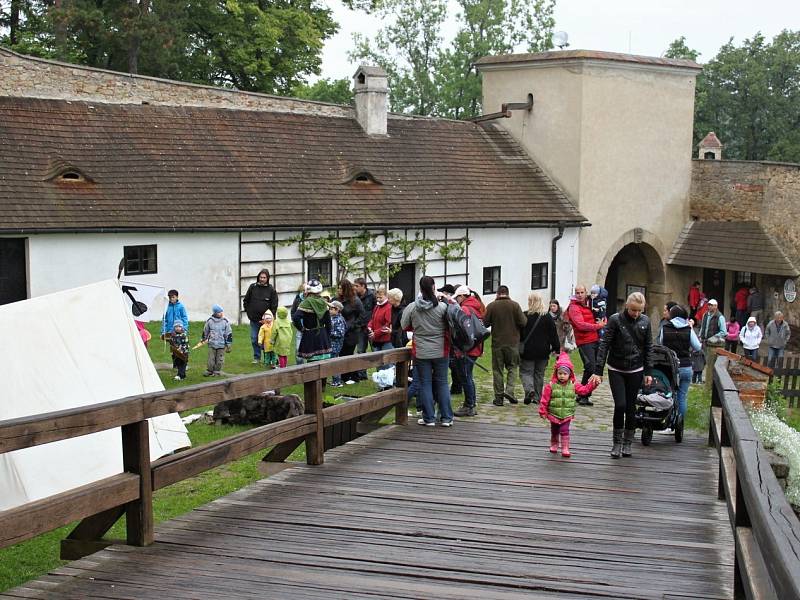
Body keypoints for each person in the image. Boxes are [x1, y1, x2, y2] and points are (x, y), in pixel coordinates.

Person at [591, 292, 653, 459]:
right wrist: (598, 370)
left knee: (631, 407)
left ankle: (627, 442)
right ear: (627, 306)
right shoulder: (615, 320)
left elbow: (648, 347)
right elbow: (605, 344)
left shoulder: (645, 322)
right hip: (616, 367)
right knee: (620, 405)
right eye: (633, 310)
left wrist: (649, 372)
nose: (636, 314)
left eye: (639, 310)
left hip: (636, 368)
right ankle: (616, 442)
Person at [400, 276, 453, 427]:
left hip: (421, 351)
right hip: (441, 349)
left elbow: (404, 325)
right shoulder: (443, 307)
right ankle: (446, 418)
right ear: (434, 287)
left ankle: (429, 417)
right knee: (442, 382)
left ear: (420, 288)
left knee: (425, 384)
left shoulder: (412, 307)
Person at [539, 352, 599, 457]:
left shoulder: (573, 385)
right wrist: (543, 411)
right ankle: (554, 443)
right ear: (556, 373)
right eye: (560, 373)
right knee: (554, 430)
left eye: (565, 374)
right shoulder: (551, 386)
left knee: (564, 430)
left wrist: (593, 385)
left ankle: (565, 447)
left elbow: (584, 390)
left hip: (567, 414)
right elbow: (545, 399)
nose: (562, 376)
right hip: (554, 413)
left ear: (570, 374)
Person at [658, 304, 701, 433]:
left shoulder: (665, 327)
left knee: (670, 395)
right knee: (682, 396)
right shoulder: (688, 329)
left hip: (670, 367)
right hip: (686, 366)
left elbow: (661, 343)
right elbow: (698, 347)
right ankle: (679, 425)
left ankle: (669, 423)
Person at [483, 285, 527, 406]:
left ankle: (499, 398)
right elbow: (523, 322)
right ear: (508, 293)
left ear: (497, 294)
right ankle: (509, 390)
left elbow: (484, 323)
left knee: (498, 370)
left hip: (497, 343)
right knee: (513, 367)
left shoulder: (491, 306)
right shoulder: (515, 305)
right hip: (513, 343)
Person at [567, 285, 606, 406]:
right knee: (591, 367)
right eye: (577, 292)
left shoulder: (590, 303)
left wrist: (603, 321)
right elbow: (580, 325)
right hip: (584, 342)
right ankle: (584, 394)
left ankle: (582, 394)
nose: (579, 295)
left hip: (595, 339)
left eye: (582, 292)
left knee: (592, 368)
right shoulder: (573, 307)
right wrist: (598, 326)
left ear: (586, 292)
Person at [519, 291, 560, 405]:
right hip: (543, 351)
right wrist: (557, 349)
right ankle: (537, 397)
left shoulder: (524, 315)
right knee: (539, 374)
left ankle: (529, 390)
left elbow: (520, 334)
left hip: (528, 350)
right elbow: (553, 335)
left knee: (526, 372)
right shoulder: (547, 317)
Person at [452, 285, 486, 417]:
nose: (457, 300)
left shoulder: (465, 308)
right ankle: (471, 403)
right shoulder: (476, 306)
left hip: (468, 348)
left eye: (458, 297)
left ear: (462, 296)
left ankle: (469, 405)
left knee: (466, 377)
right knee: (468, 376)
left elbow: (462, 330)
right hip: (475, 346)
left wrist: (460, 347)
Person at [243, 269, 279, 364]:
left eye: (264, 277)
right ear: (258, 277)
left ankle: (270, 358)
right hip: (254, 320)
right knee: (255, 339)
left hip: (267, 322)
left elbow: (274, 306)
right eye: (261, 277)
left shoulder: (271, 290)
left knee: (267, 341)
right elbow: (246, 301)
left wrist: (269, 318)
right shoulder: (253, 287)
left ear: (267, 278)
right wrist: (249, 312)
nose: (262, 279)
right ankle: (257, 358)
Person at [293, 279, 332, 363]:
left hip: (310, 335)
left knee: (312, 365)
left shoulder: (306, 303)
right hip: (322, 335)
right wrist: (327, 336)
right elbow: (328, 323)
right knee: (323, 363)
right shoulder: (323, 302)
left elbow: (295, 317)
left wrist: (302, 329)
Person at [337, 279, 366, 383]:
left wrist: (353, 325)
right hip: (340, 331)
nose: (339, 290)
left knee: (347, 354)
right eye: (338, 288)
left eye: (341, 288)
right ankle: (344, 376)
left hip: (351, 333)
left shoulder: (355, 301)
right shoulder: (338, 300)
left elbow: (362, 315)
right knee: (341, 354)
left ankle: (351, 377)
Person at [438, 283, 464, 395]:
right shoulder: (453, 305)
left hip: (452, 339)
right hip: (451, 339)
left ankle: (457, 387)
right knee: (453, 364)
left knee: (453, 364)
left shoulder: (452, 305)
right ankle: (456, 386)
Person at [699, 299, 726, 390]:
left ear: (716, 306)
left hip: (714, 345)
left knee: (712, 365)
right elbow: (703, 326)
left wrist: (713, 338)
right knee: (707, 363)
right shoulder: (705, 315)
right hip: (705, 342)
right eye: (709, 305)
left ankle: (710, 386)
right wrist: (700, 336)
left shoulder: (720, 317)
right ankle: (708, 384)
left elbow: (723, 332)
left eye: (711, 305)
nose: (709, 306)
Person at [354, 277, 376, 380]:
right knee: (360, 351)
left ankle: (380, 373)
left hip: (371, 328)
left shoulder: (372, 296)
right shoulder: (355, 297)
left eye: (357, 286)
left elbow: (376, 310)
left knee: (375, 350)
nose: (355, 288)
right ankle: (362, 374)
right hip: (360, 328)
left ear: (363, 286)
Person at [202, 304, 232, 377]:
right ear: (215, 313)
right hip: (212, 344)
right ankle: (209, 370)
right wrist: (204, 338)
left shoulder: (225, 322)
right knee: (211, 358)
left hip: (221, 344)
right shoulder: (209, 321)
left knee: (220, 359)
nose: (221, 313)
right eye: (219, 312)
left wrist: (228, 344)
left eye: (222, 312)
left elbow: (228, 333)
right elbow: (205, 330)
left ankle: (217, 371)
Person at [367, 286, 394, 368]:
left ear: (386, 296)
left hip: (386, 340)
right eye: (377, 297)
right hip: (376, 339)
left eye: (380, 297)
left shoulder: (389, 307)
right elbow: (373, 318)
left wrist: (376, 333)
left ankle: (389, 380)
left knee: (386, 363)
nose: (378, 299)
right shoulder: (377, 306)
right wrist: (369, 326)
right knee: (377, 363)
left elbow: (388, 323)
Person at [329, 301, 347, 387]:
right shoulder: (332, 318)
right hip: (330, 344)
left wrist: (329, 333)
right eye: (330, 309)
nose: (330, 311)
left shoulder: (339, 320)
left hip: (335, 345)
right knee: (331, 362)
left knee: (334, 362)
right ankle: (334, 379)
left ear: (337, 310)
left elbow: (340, 333)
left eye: (332, 309)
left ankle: (337, 381)